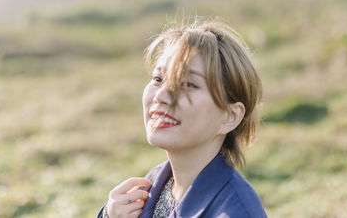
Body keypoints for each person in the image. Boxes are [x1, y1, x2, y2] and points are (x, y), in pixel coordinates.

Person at [97, 18, 267, 218]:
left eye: (187, 84)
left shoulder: (236, 212)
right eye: (158, 79)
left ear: (230, 116)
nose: (160, 96)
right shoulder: (152, 185)